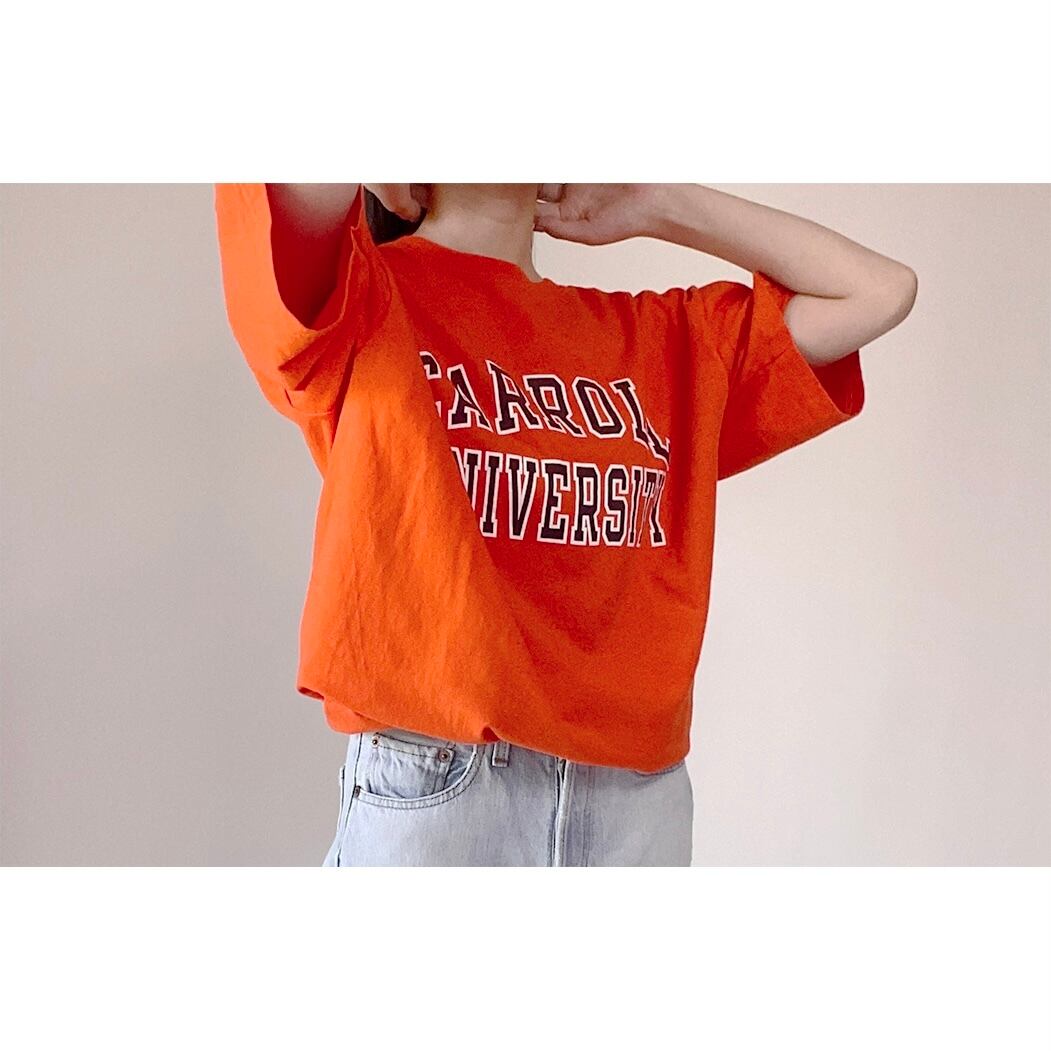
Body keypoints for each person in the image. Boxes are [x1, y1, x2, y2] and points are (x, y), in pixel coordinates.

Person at [213, 182, 917, 867]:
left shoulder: (665, 340)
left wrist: (654, 203)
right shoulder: (359, 297)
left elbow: (878, 291)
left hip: (634, 803)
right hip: (440, 786)